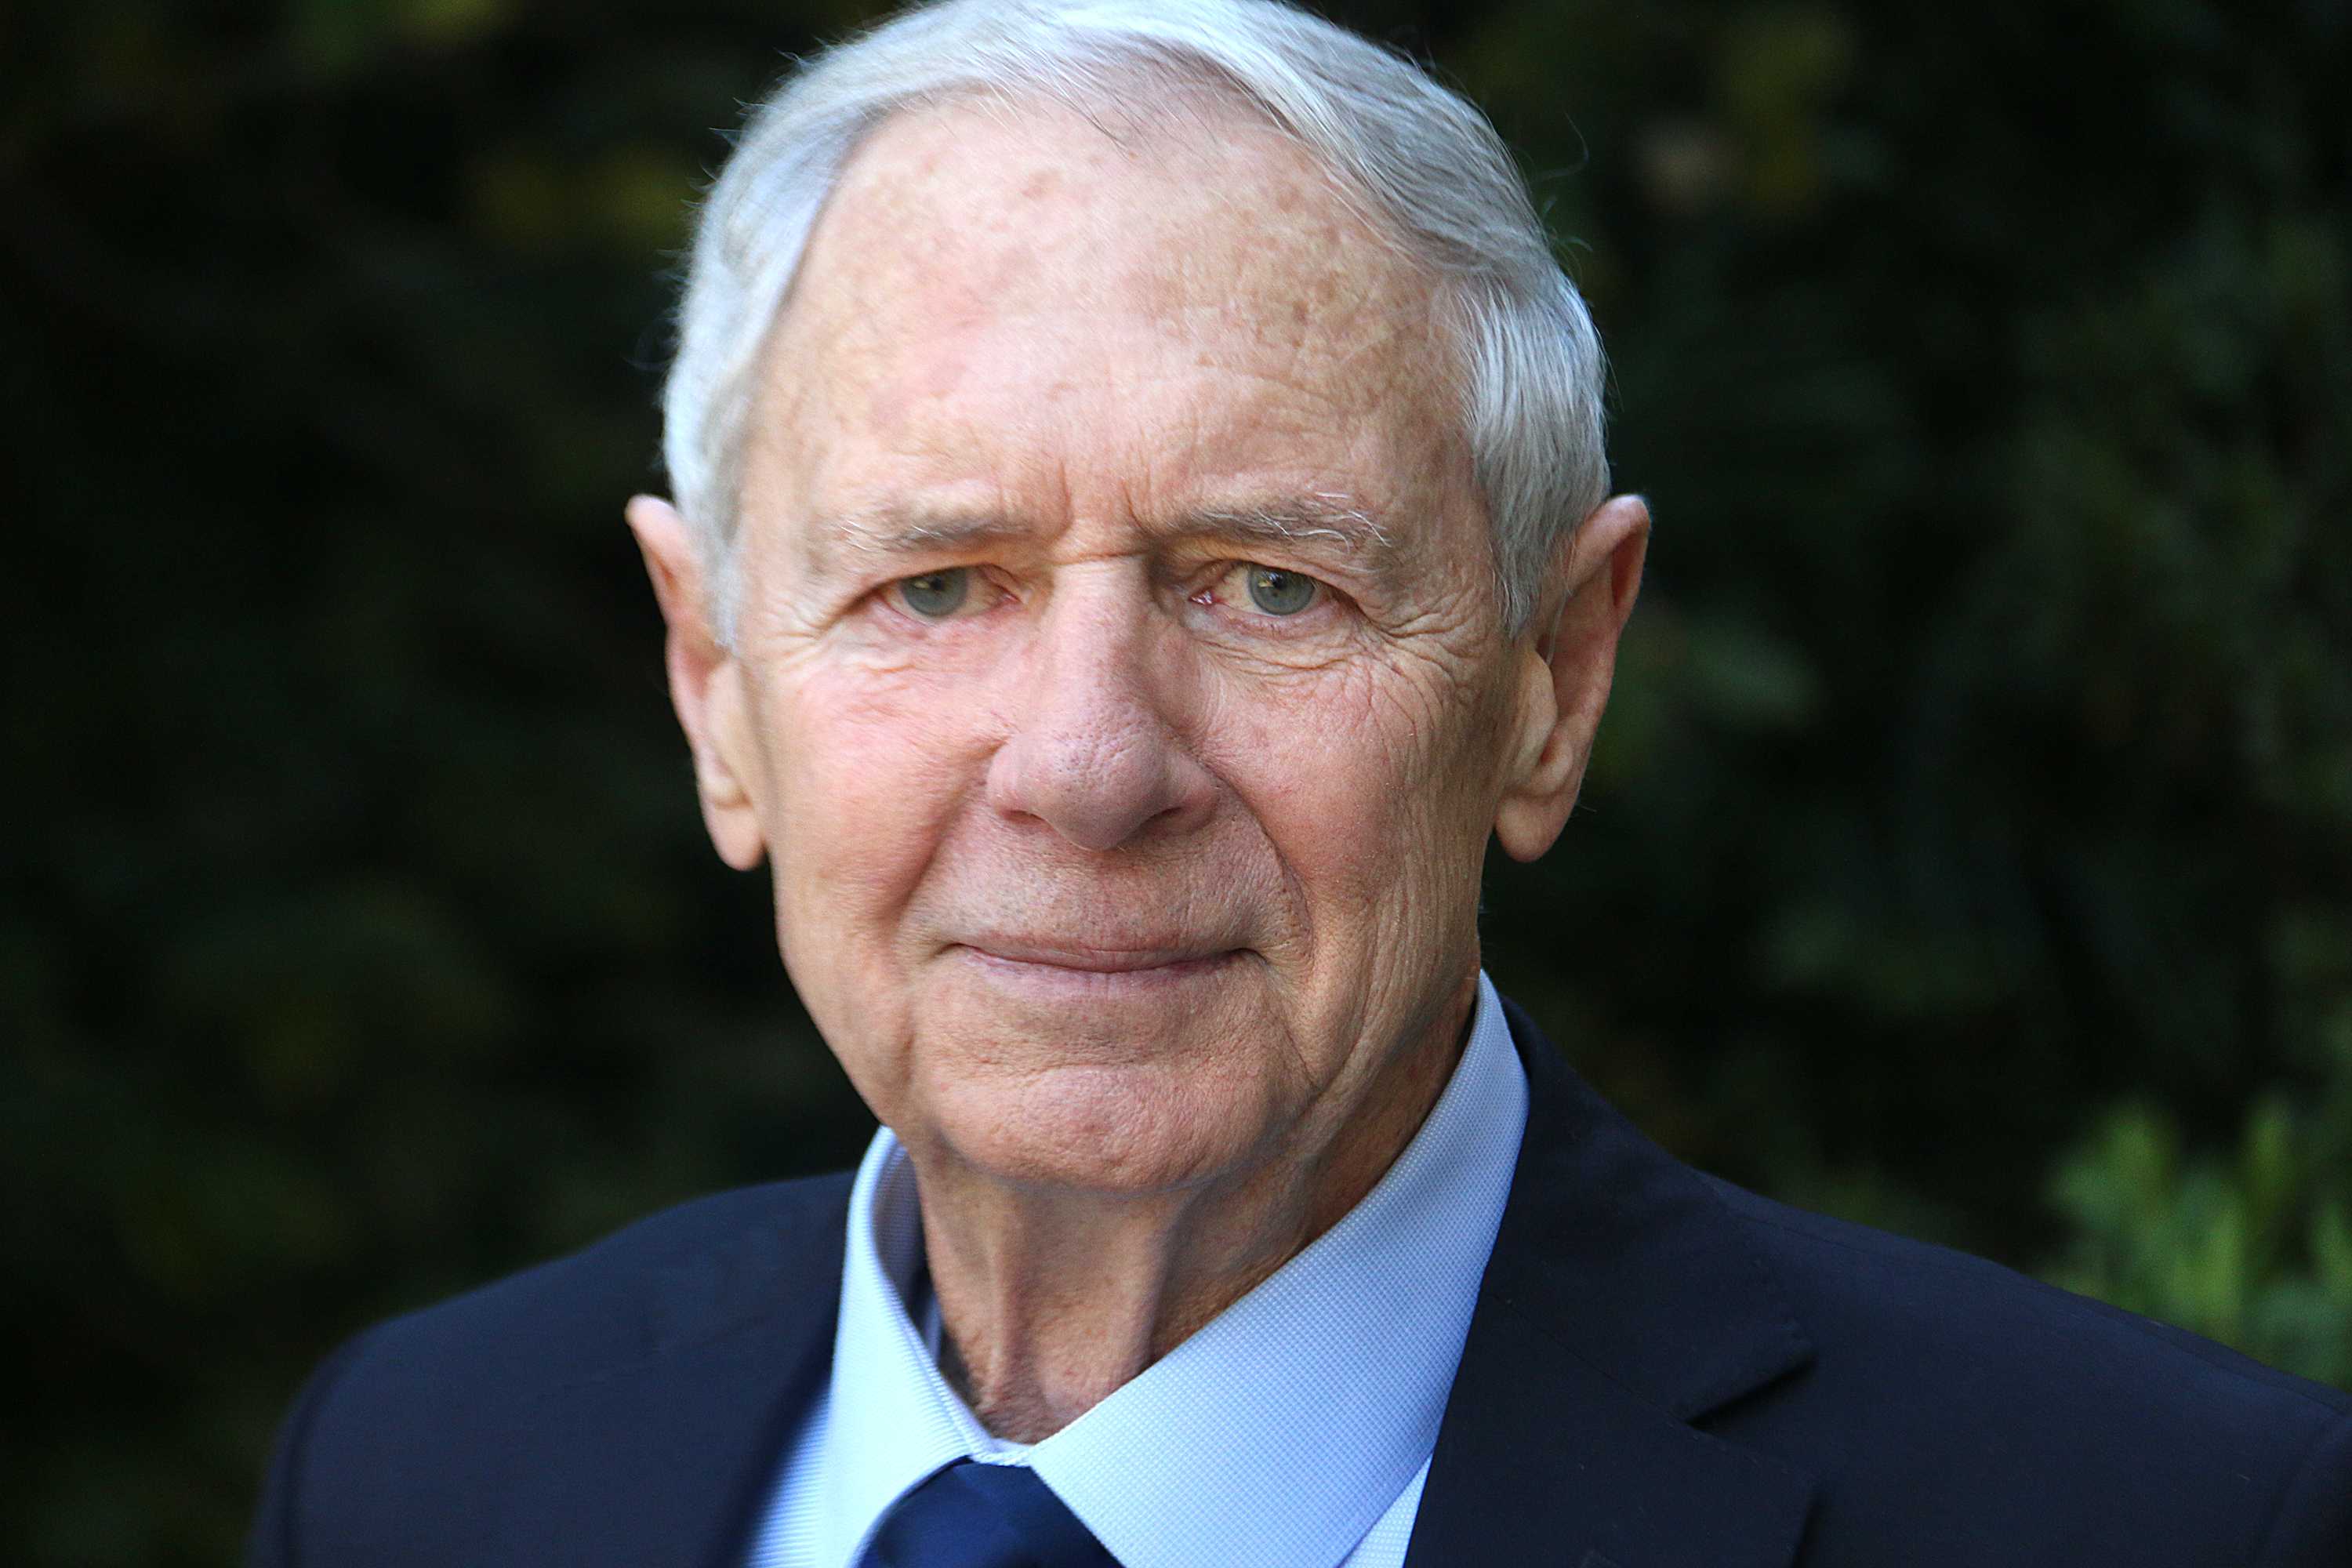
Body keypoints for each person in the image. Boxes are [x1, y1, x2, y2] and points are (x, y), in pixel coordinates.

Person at [245, 2, 2352, 1564]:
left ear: (1552, 678)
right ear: (716, 688)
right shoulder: (421, 1474)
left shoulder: (2158, 1524)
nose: (1088, 764)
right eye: (934, 584)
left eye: (1268, 583)